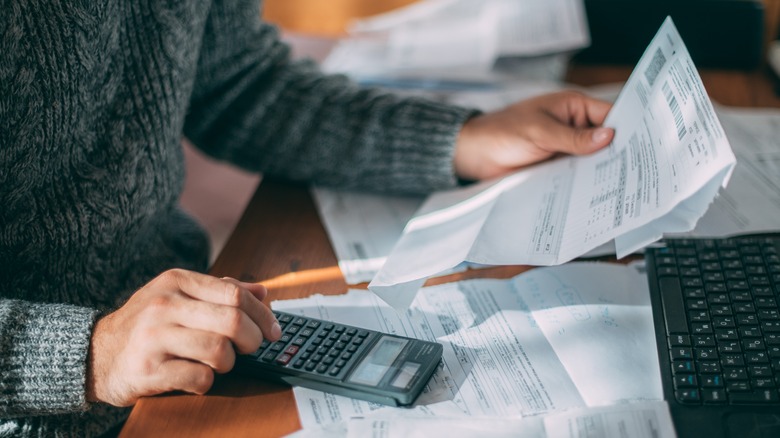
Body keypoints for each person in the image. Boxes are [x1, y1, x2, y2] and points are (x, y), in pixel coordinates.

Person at [0, 0, 614, 436]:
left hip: (193, 350)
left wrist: (458, 141)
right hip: (47, 404)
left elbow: (238, 82)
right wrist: (92, 354)